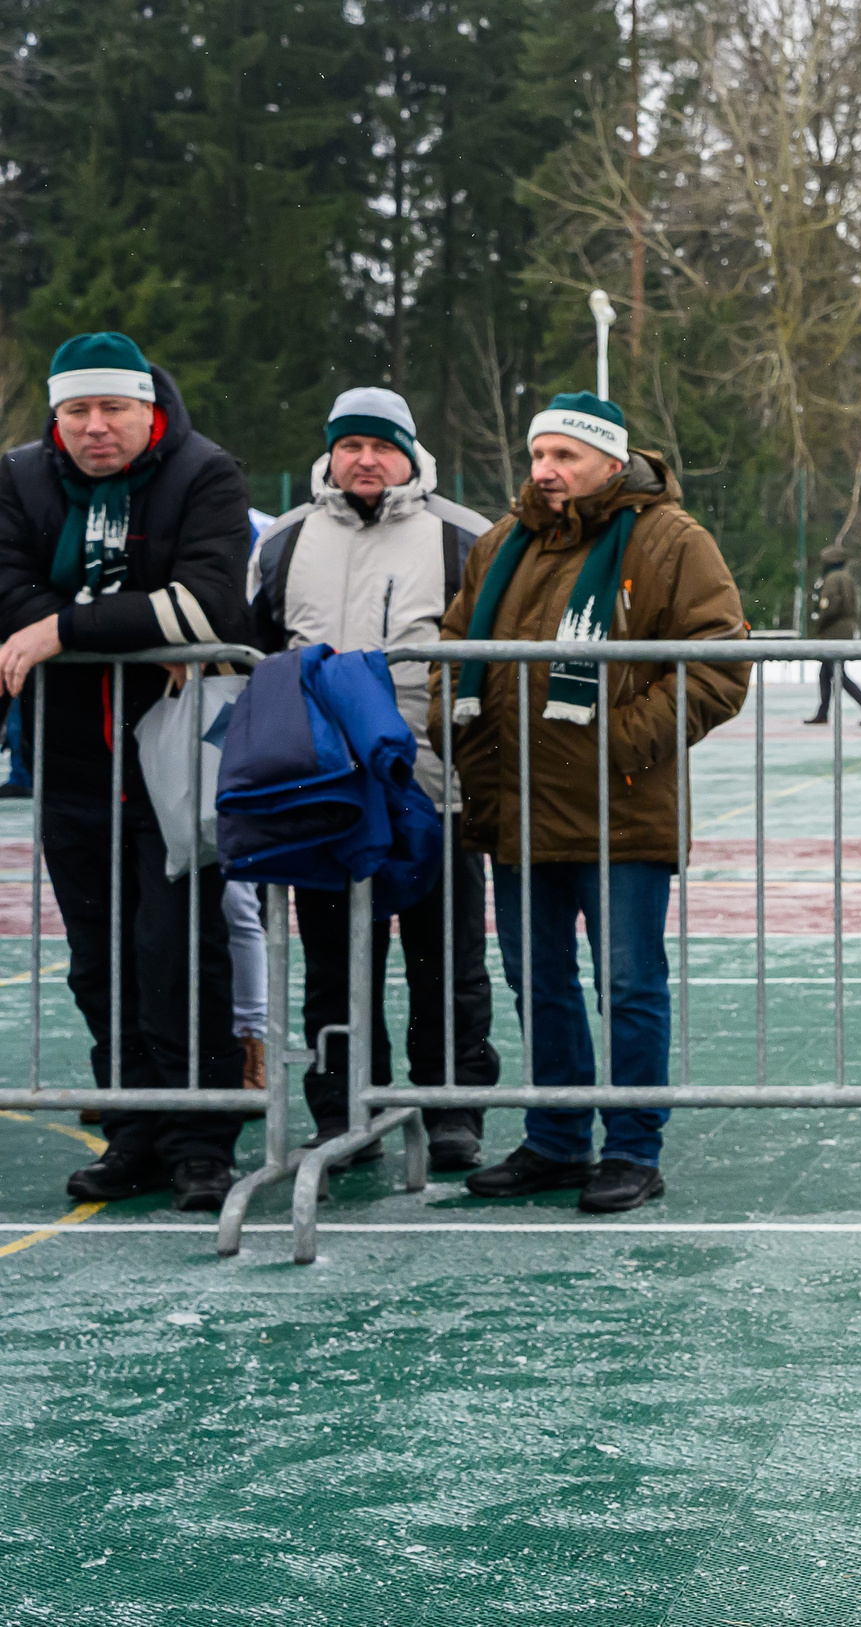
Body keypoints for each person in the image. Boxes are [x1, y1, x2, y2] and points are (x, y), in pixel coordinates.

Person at [438, 393, 749, 1213]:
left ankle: (633, 1148)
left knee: (628, 983)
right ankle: (557, 1138)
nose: (545, 471)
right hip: (517, 805)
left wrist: (616, 741)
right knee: (536, 980)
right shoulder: (503, 542)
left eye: (564, 456)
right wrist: (457, 727)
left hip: (622, 808)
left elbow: (719, 661)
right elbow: (454, 645)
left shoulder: (670, 540)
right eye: (538, 455)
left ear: (612, 463)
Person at [0, 331, 252, 1208]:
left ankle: (201, 1141)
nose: (95, 426)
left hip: (176, 760)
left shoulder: (204, 473)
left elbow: (209, 605)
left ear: (148, 408)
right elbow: (7, 598)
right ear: (57, 415)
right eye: (78, 410)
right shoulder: (19, 477)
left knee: (178, 950)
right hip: (70, 761)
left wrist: (65, 628)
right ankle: (132, 1131)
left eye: (113, 407)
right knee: (97, 959)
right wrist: (141, 622)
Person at [250, 387, 500, 1172]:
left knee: (445, 960)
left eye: (382, 445)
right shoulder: (284, 540)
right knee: (333, 965)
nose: (365, 459)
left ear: (410, 453)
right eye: (350, 445)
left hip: (434, 789)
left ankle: (452, 1108)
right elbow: (257, 653)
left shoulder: (464, 536)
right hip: (325, 797)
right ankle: (343, 1107)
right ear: (329, 454)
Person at [804, 543, 861, 727]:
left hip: (834, 630)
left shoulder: (834, 578)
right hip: (842, 629)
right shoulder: (845, 576)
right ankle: (823, 712)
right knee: (826, 673)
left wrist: (820, 622)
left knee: (837, 673)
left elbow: (831, 605)